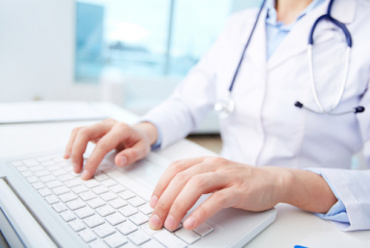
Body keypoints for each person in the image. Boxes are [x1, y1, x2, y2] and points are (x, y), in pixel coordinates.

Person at [64, 0, 370, 233]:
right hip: (224, 208)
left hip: (309, 219)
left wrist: (280, 182)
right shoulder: (240, 25)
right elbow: (186, 102)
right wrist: (144, 130)